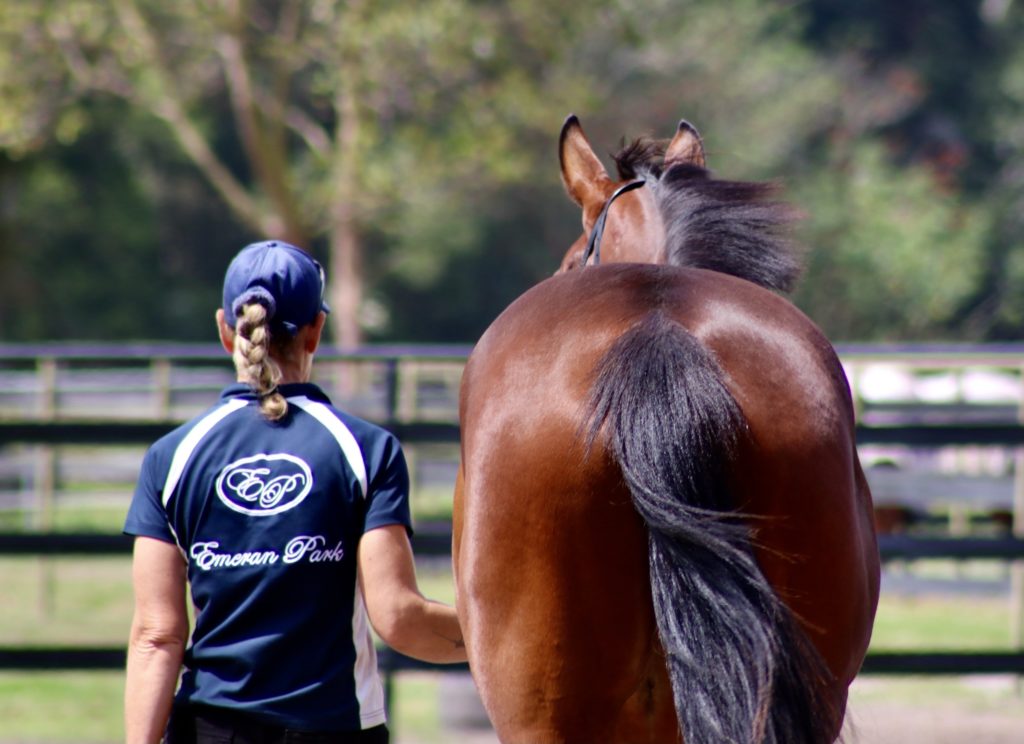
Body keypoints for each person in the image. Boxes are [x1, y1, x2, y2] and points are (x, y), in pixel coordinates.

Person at [123, 240, 466, 744]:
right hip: (332, 727)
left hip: (209, 731)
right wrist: (509, 639)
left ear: (225, 329)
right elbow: (398, 619)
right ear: (316, 331)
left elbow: (157, 637)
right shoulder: (366, 450)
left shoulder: (171, 457)